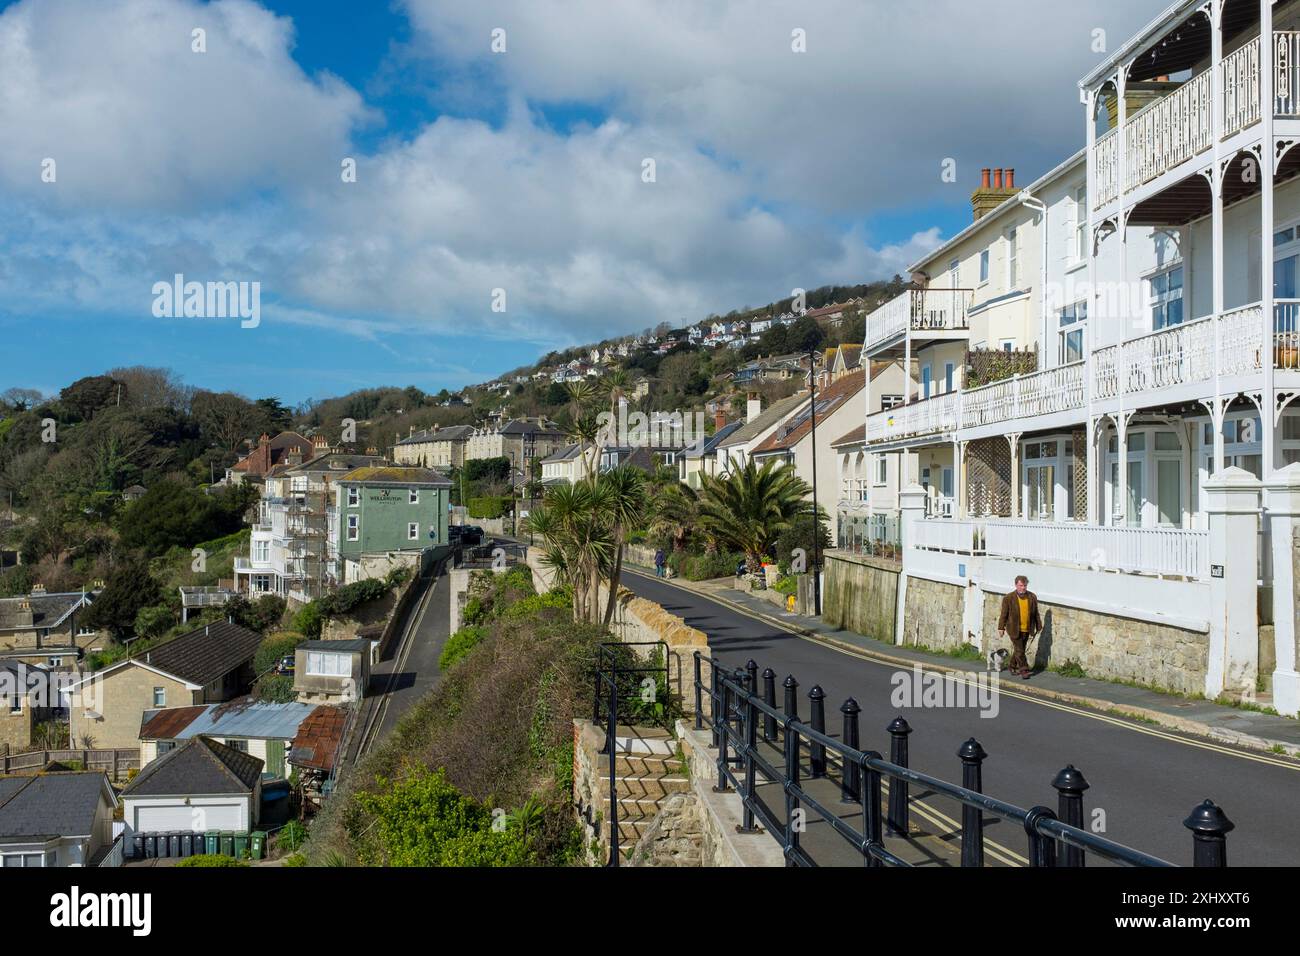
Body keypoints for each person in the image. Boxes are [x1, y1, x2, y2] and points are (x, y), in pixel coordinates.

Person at [997, 575, 1041, 678]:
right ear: (1016, 585)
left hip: (1027, 628)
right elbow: (1004, 614)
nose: (1023, 588)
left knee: (1019, 650)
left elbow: (1036, 613)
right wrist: (1001, 627)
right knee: (1020, 650)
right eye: (1021, 585)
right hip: (1013, 629)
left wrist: (1039, 625)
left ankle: (1012, 666)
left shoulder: (1032, 597)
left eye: (1025, 585)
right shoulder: (1008, 598)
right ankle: (1024, 669)